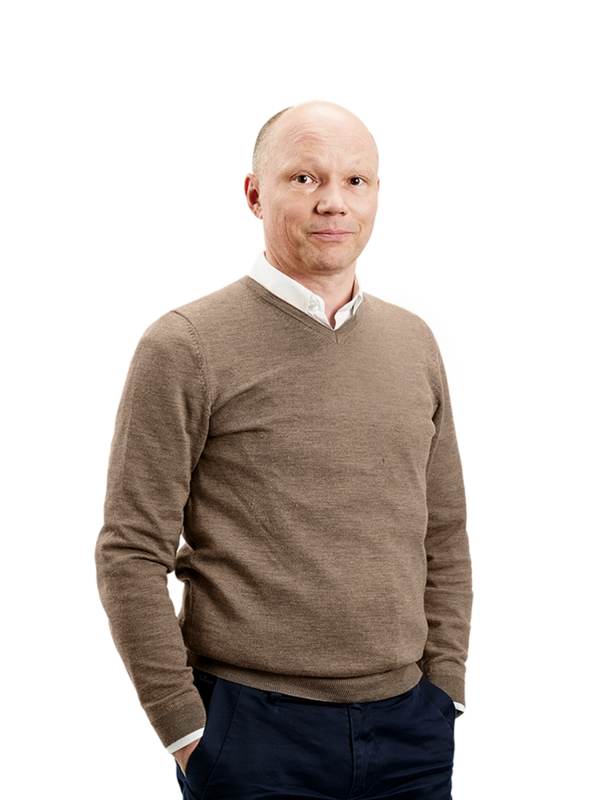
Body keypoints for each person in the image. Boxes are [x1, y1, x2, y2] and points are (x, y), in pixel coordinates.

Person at [93, 96, 474, 799]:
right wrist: (184, 728)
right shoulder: (184, 345)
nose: (334, 201)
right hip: (250, 729)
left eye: (355, 180)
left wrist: (446, 687)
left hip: (411, 730)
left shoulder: (414, 342)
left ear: (377, 195)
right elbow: (129, 549)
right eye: (305, 178)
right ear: (253, 194)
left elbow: (444, 531)